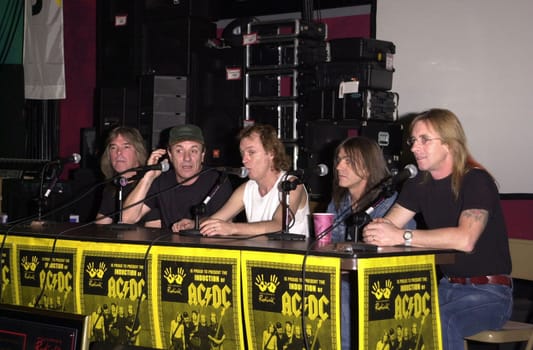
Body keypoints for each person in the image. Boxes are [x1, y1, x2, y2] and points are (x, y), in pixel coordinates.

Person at [363, 108, 513, 349]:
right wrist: (377, 232)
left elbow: (465, 240)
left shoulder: (476, 180)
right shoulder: (417, 184)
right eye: (413, 140)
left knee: (438, 322)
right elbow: (389, 228)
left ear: (449, 144)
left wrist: (401, 236)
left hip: (489, 293)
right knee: (387, 317)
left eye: (424, 140)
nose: (413, 147)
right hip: (444, 287)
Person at [327, 136, 415, 350]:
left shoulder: (391, 204)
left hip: (383, 286)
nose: (339, 166)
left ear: (367, 167)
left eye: (348, 161)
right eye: (339, 160)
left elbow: (404, 250)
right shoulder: (339, 203)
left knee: (344, 291)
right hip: (344, 276)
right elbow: (326, 243)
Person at [176, 124, 309, 237]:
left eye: (251, 153)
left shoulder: (292, 185)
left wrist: (232, 228)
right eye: (243, 154)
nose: (244, 160)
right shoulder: (247, 188)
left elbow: (279, 224)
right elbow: (217, 219)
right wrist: (195, 224)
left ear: (271, 153)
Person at [121, 124, 232, 229]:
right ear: (170, 155)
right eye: (179, 151)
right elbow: (126, 219)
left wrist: (195, 224)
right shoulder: (161, 180)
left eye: (193, 151)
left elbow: (226, 222)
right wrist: (148, 177)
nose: (187, 158)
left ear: (202, 155)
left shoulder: (217, 180)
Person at [95, 126, 158, 225]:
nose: (118, 152)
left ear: (138, 152)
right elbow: (100, 225)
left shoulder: (153, 183)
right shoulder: (112, 187)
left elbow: (154, 232)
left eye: (126, 147)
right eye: (113, 147)